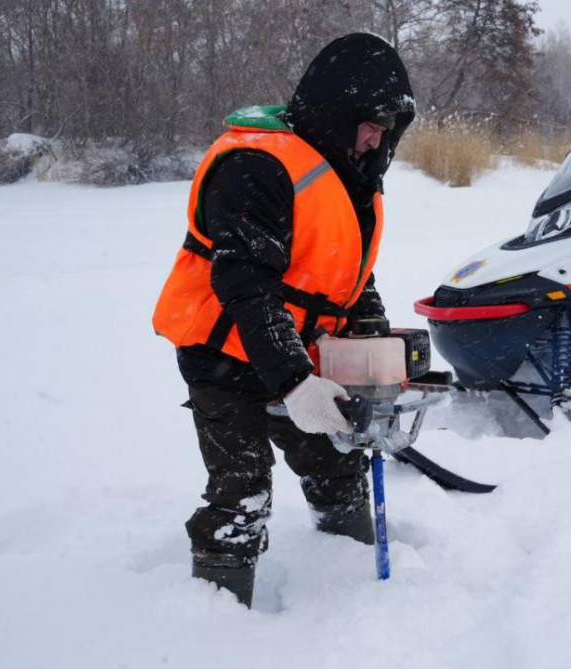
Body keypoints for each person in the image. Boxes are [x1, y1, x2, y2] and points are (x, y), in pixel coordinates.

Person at [151, 33, 415, 607]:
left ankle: (346, 572)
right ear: (336, 111)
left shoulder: (348, 173)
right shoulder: (256, 165)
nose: (376, 139)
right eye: (370, 123)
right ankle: (216, 617)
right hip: (221, 354)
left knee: (334, 463)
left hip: (295, 350)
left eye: (386, 129)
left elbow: (350, 275)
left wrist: (373, 343)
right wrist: (296, 383)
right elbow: (244, 287)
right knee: (241, 490)